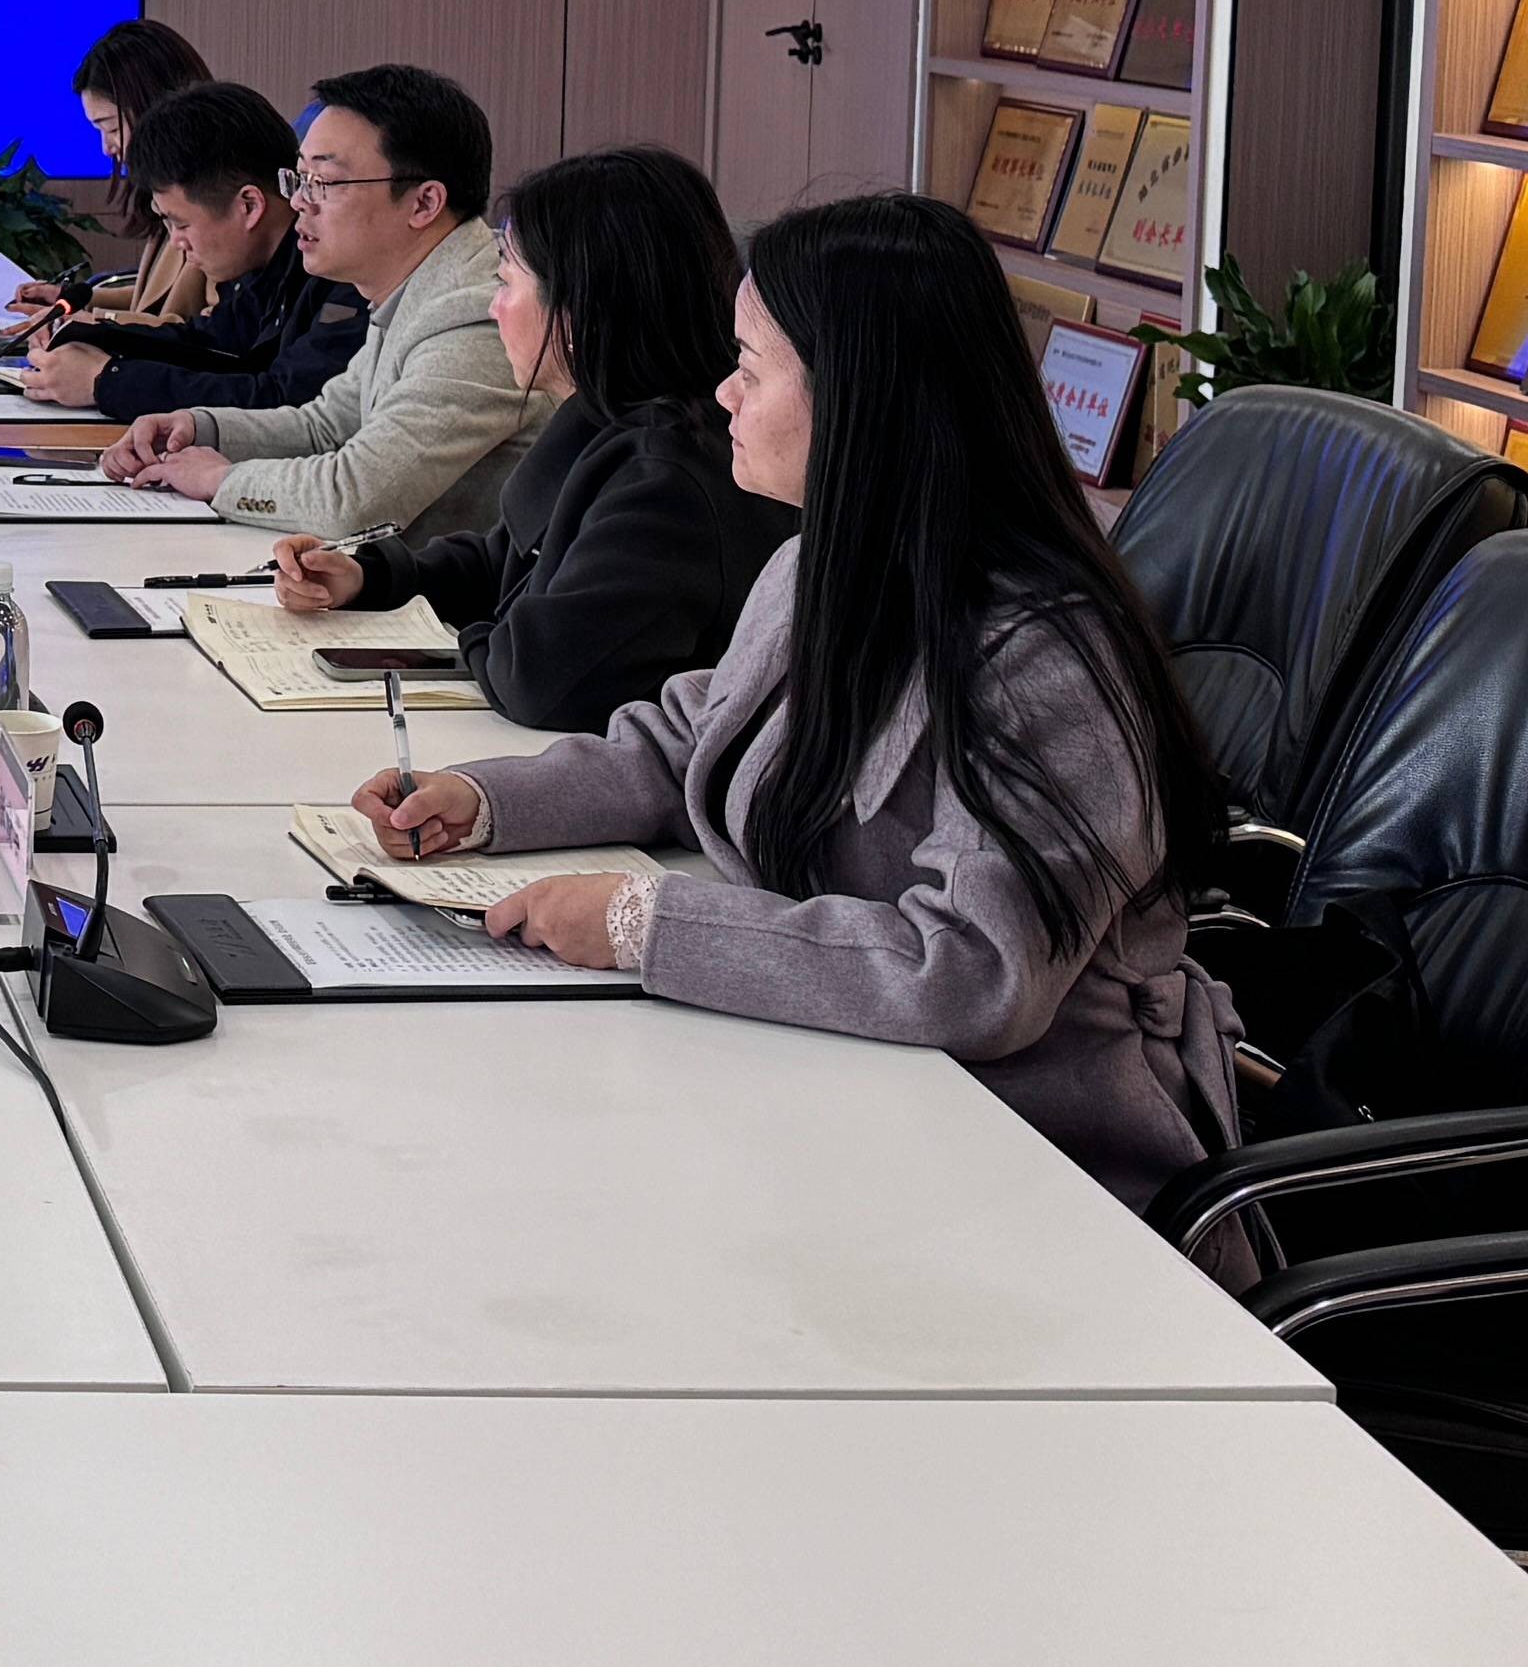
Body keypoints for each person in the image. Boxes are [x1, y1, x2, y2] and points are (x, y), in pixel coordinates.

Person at [361, 190, 1240, 1206]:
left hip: (1027, 1156)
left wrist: (650, 926)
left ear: (857, 395)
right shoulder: (820, 560)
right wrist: (487, 802)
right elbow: (693, 740)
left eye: (748, 367)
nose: (722, 395)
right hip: (832, 1090)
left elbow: (973, 972)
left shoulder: (1044, 653)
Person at [284, 143, 792, 732]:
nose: (494, 307)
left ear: (578, 309)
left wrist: (479, 637)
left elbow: (541, 681)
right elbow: (508, 560)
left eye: (506, 283)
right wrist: (371, 577)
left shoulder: (665, 480)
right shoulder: (611, 418)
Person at [101, 64, 534, 542]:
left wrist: (219, 480)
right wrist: (200, 427)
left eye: (324, 182)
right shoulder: (411, 289)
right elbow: (325, 427)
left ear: (424, 203)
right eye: (300, 178)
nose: (299, 203)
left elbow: (355, 498)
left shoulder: (479, 315)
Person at [15, 79, 360, 416]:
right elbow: (213, 347)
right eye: (301, 181)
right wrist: (94, 336)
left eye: (321, 184)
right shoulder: (264, 267)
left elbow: (284, 400)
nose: (178, 243)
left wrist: (105, 381)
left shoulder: (343, 273)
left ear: (249, 206)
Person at [3, 13, 220, 337]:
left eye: (112, 129)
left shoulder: (213, 200)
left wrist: (89, 323)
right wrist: (71, 300)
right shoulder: (167, 191)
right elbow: (151, 301)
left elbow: (204, 333)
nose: (107, 148)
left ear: (155, 109)